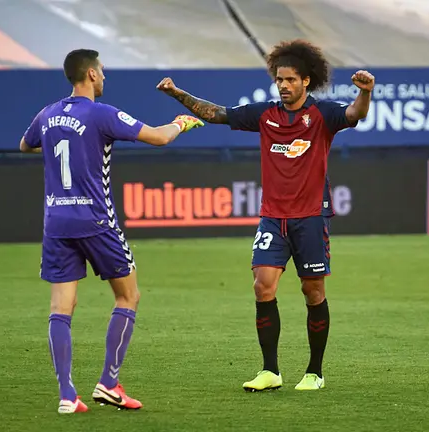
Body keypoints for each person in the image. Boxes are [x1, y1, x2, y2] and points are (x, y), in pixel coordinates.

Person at [157, 39, 374, 391]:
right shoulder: (265, 115)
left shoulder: (323, 114)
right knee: (263, 286)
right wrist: (177, 94)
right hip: (273, 217)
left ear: (306, 81)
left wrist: (364, 93)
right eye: (279, 80)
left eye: (290, 80)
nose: (284, 86)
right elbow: (216, 113)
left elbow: (355, 115)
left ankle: (314, 372)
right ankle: (270, 371)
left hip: (310, 217)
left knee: (312, 291)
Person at [20, 48, 204, 413]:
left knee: (61, 308)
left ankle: (67, 395)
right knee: (128, 296)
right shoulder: (101, 114)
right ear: (90, 74)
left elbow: (25, 145)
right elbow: (158, 137)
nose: (104, 77)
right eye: (101, 71)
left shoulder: (47, 114)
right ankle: (108, 383)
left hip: (56, 222)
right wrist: (181, 123)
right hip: (94, 220)